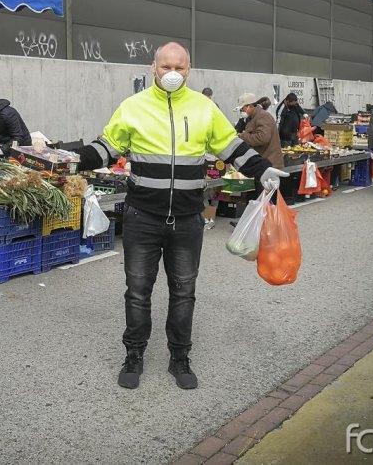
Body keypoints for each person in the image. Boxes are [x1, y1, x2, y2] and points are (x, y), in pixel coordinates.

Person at [74, 42, 288, 390]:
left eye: (180, 67)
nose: (172, 73)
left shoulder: (204, 108)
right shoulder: (133, 106)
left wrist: (260, 168)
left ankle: (179, 357)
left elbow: (230, 147)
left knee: (184, 291)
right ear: (153, 67)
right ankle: (134, 354)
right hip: (142, 217)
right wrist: (70, 159)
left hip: (188, 220)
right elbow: (107, 147)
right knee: (137, 291)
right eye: (165, 67)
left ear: (189, 69)